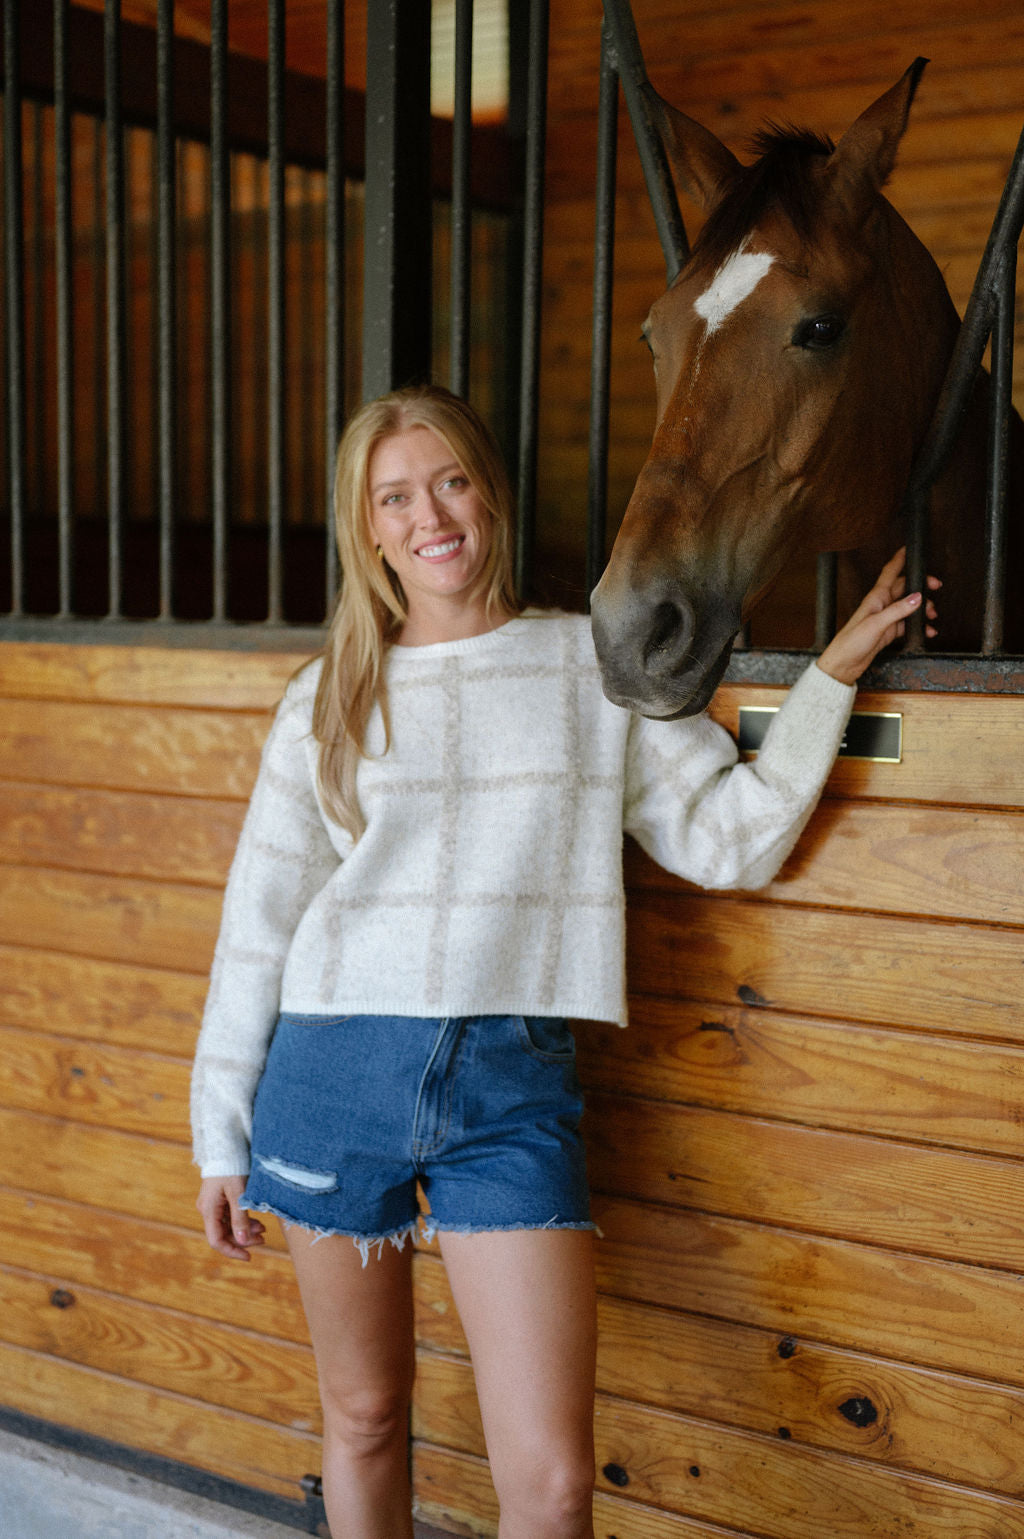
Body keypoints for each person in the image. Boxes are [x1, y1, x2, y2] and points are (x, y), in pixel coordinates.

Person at [192, 384, 937, 1539]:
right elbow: (258, 929)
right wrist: (217, 1134)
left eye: (447, 482)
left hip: (509, 1089)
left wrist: (827, 683)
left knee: (547, 1484)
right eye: (395, 497)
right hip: (331, 1079)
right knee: (367, 1415)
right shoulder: (325, 698)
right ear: (369, 529)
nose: (428, 515)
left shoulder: (585, 669)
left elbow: (728, 839)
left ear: (486, 492)